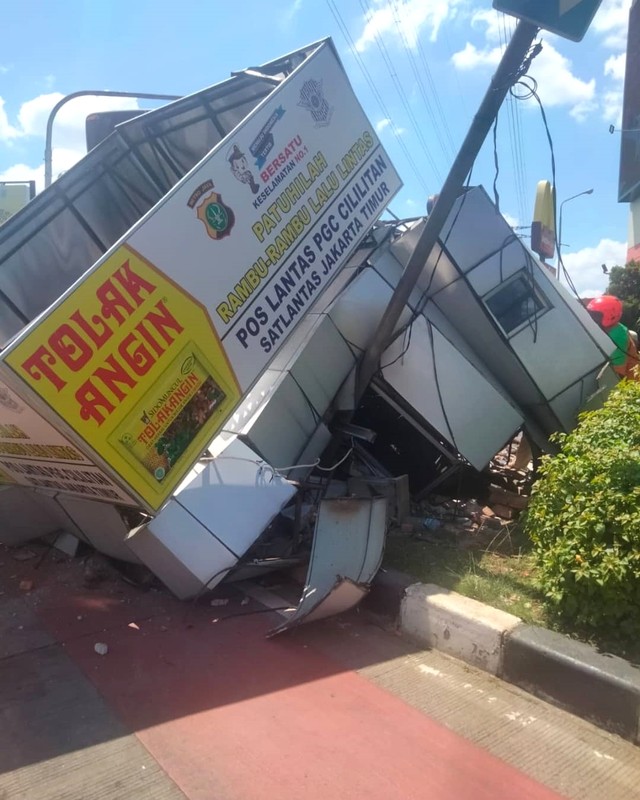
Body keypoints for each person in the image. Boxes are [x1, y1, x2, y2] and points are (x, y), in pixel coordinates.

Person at [586, 295, 640, 380]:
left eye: (595, 315)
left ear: (610, 315)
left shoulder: (617, 336)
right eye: (589, 313)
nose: (590, 318)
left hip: (632, 382)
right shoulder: (609, 327)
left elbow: (616, 372)